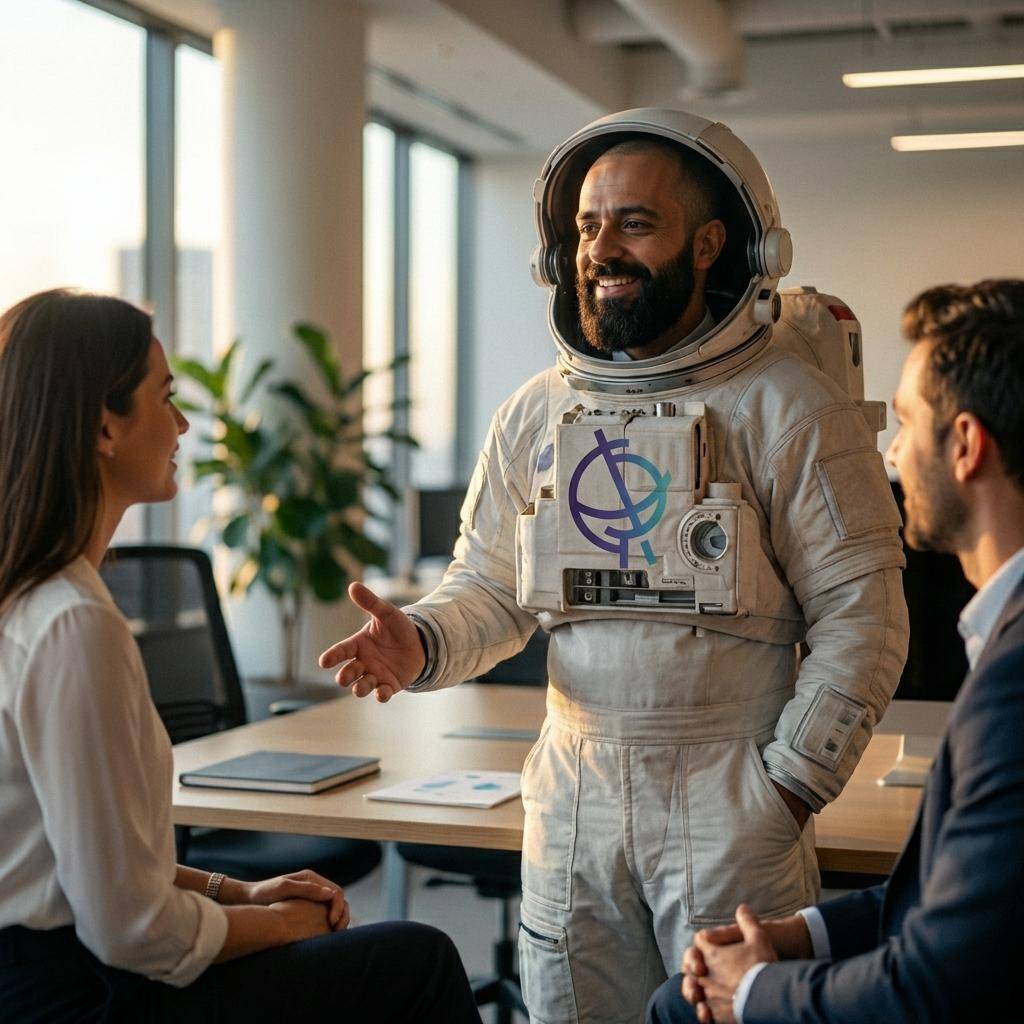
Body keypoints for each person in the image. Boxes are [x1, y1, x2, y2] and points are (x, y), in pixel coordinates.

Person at [320, 108, 909, 1022]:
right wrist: (423, 641)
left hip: (732, 787)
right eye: (587, 227)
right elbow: (492, 588)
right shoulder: (535, 413)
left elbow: (864, 619)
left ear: (710, 245)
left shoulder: (787, 408)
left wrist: (787, 788)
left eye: (635, 223)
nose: (601, 249)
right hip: (571, 789)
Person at [0, 289, 482, 1024]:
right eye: (165, 398)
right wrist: (283, 924)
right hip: (77, 1000)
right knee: (417, 961)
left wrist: (239, 892)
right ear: (104, 426)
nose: (182, 424)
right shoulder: (72, 623)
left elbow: (91, 861)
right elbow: (130, 928)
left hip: (47, 974)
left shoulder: (37, 599)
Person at [647, 278, 1024, 1024]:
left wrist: (750, 992)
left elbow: (934, 988)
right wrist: (799, 935)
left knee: (676, 1010)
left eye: (906, 423)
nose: (892, 450)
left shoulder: (1013, 686)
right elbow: (956, 901)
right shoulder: (1004, 639)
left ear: (966, 446)